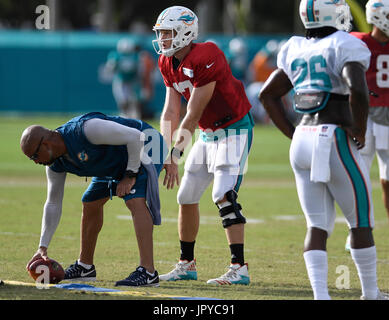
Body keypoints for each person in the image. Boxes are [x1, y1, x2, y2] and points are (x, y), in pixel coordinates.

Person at [259, 0, 388, 300]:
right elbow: (356, 87)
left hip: (303, 137)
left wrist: (294, 134)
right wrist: (358, 127)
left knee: (317, 224)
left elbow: (267, 95)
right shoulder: (345, 44)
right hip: (333, 138)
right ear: (336, 13)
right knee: (361, 222)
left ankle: (321, 296)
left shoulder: (294, 47)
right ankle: (370, 293)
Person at [152, 6, 254, 285]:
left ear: (185, 32)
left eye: (168, 33)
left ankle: (239, 268)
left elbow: (192, 113)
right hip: (207, 133)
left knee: (223, 194)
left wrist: (175, 154)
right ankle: (187, 264)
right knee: (186, 195)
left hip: (233, 129)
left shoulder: (207, 55)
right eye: (161, 33)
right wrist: (162, 151)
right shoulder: (166, 62)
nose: (163, 39)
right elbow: (170, 112)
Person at [21, 112, 167, 287]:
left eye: (34, 156)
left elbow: (136, 137)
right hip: (112, 161)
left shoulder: (86, 129)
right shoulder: (54, 164)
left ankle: (148, 272)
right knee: (90, 202)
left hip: (147, 145)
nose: (36, 162)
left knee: (133, 199)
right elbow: (53, 203)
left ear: (46, 144)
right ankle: (85, 267)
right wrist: (42, 247)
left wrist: (129, 175)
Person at [352, 0, 389, 222]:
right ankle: (358, 227)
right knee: (359, 175)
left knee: (387, 179)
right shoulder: (357, 42)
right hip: (363, 115)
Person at [104, 38, 154, 119]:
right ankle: (124, 115)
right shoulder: (116, 56)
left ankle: (134, 117)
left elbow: (141, 70)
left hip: (133, 81)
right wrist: (112, 65)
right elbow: (110, 68)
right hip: (121, 81)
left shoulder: (136, 56)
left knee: (135, 101)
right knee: (123, 101)